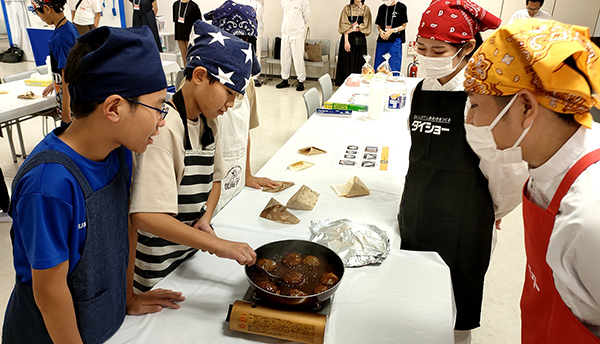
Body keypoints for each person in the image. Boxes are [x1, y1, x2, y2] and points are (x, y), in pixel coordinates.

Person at [2, 26, 184, 344]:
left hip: (105, 323)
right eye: (158, 106)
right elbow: (50, 292)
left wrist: (126, 297)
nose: (162, 120)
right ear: (114, 108)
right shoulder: (49, 185)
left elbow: (125, 228)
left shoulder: (120, 152)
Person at [464, 19, 600, 342]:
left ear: (526, 107)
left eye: (474, 105)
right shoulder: (544, 168)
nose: (468, 119)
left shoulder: (589, 218)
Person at [397, 1, 520, 343]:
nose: (427, 56)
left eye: (438, 50)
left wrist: (491, 213)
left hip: (463, 224)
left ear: (466, 48)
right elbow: (418, 151)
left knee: (454, 316)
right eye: (421, 48)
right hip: (418, 214)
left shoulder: (478, 98)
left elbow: (505, 172)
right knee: (415, 305)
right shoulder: (420, 90)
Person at [130, 20, 258, 293]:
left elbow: (216, 180)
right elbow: (145, 215)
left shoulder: (209, 122)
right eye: (228, 93)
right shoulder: (164, 127)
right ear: (199, 75)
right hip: (158, 269)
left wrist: (205, 218)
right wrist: (217, 245)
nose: (230, 104)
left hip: (188, 255)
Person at [205, 0, 279, 213]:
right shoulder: (203, 84)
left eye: (246, 41)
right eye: (234, 39)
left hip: (235, 177)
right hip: (207, 185)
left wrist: (246, 174)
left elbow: (245, 130)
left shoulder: (248, 83)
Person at [32, 0, 78, 124]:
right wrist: (55, 84)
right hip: (71, 93)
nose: (40, 17)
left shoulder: (61, 37)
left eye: (38, 13)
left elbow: (67, 73)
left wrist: (66, 108)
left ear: (47, 8)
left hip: (72, 102)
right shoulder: (68, 27)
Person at [335, 0, 372, 86]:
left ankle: (358, 85)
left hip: (360, 40)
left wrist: (352, 29)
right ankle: (345, 85)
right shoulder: (347, 8)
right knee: (346, 62)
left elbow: (366, 26)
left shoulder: (366, 9)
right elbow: (343, 26)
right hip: (347, 38)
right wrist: (346, 41)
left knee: (360, 63)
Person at [276, 0, 310, 92]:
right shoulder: (284, 1)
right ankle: (285, 79)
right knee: (285, 58)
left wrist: (298, 26)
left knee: (298, 58)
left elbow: (307, 17)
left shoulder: (303, 1)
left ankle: (301, 81)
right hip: (285, 33)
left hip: (297, 34)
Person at [233, 0, 265, 87]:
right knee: (243, 53)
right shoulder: (240, 1)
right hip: (244, 31)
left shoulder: (259, 3)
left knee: (256, 53)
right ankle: (244, 74)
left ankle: (255, 77)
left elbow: (256, 16)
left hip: (256, 31)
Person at [374, 0, 407, 72]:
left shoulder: (401, 7)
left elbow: (403, 26)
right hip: (382, 40)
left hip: (395, 40)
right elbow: (379, 25)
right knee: (379, 65)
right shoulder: (382, 8)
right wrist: (381, 31)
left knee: (393, 65)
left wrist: (392, 31)